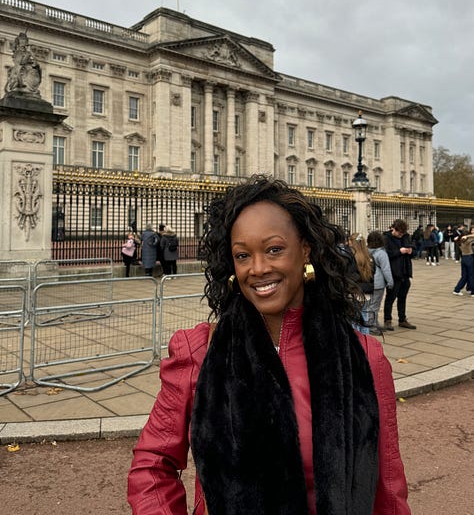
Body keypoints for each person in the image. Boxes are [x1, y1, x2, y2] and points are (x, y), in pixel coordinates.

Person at [128, 175, 411, 515]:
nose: (258, 269)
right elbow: (152, 465)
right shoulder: (198, 351)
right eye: (243, 255)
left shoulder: (365, 356)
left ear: (305, 249)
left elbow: (388, 485)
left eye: (274, 249)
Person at [383, 219, 417, 331]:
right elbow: (386, 255)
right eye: (399, 233)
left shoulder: (406, 236)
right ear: (393, 229)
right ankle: (387, 320)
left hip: (405, 271)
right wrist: (399, 251)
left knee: (402, 297)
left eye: (402, 233)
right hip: (393, 272)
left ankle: (402, 319)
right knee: (390, 297)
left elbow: (414, 250)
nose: (400, 235)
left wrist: (411, 251)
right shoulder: (386, 238)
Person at [367, 230, 394, 335]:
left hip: (369, 281)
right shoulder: (381, 253)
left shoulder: (366, 251)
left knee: (370, 304)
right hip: (378, 283)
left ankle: (374, 323)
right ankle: (372, 326)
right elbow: (386, 269)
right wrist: (390, 282)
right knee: (375, 305)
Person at [347, 232, 375, 334]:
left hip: (354, 293)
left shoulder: (350, 258)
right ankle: (366, 341)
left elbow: (350, 276)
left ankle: (358, 343)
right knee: (364, 319)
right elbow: (373, 274)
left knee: (354, 322)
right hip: (367, 293)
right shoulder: (369, 257)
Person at [452, 225, 474, 297]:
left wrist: (462, 236)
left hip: (464, 258)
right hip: (469, 258)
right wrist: (468, 236)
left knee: (464, 276)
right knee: (471, 275)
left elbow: (456, 239)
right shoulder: (467, 241)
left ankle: (456, 289)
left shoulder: (459, 241)